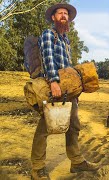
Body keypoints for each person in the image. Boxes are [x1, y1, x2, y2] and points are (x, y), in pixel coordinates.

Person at [31, 3, 99, 179]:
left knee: (74, 126)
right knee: (45, 127)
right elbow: (48, 58)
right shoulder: (48, 34)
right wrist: (54, 81)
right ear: (53, 17)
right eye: (60, 13)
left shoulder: (66, 40)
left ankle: (76, 162)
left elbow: (68, 67)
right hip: (53, 86)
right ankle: (37, 169)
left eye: (66, 14)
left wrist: (75, 91)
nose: (64, 16)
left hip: (68, 90)